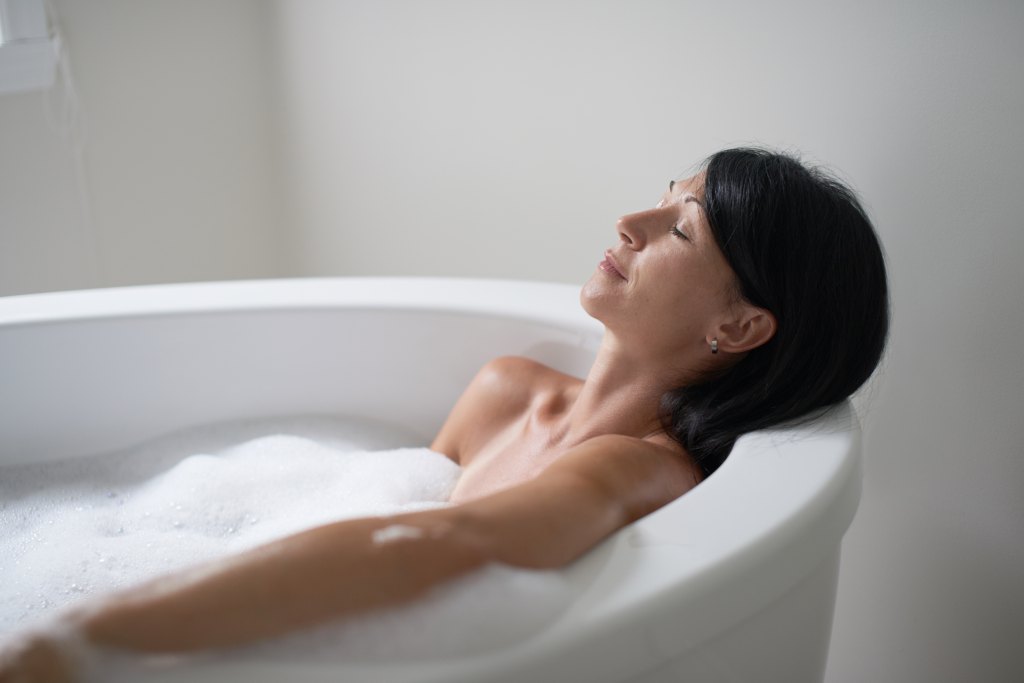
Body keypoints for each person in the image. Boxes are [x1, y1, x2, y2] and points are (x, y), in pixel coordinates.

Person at [0, 147, 889, 682]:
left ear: (738, 326)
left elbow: (436, 548)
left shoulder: (640, 468)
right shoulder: (504, 389)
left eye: (680, 227)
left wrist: (75, 639)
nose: (629, 220)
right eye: (660, 193)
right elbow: (386, 516)